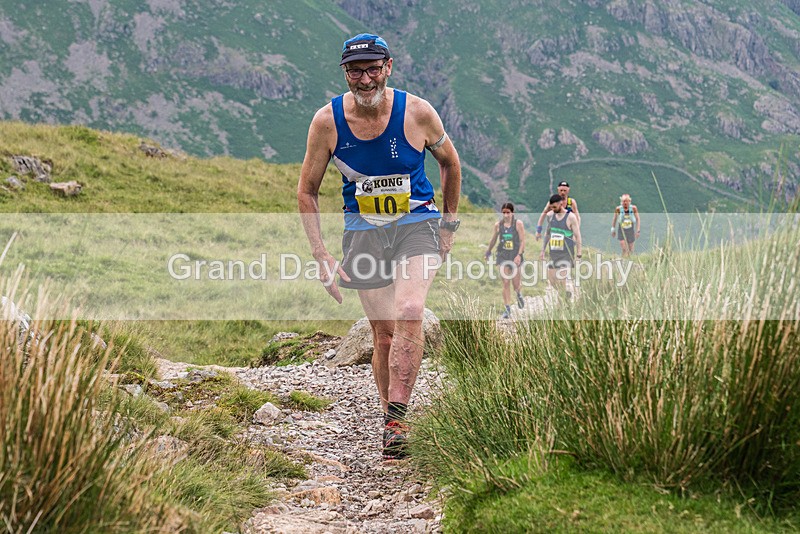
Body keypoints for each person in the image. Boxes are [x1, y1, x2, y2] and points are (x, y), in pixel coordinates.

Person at [297, 33, 461, 460]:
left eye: (373, 69)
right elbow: (307, 191)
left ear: (388, 67)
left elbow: (450, 163)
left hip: (417, 225)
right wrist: (322, 255)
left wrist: (448, 225)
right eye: (355, 70)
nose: (365, 79)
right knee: (383, 334)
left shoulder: (418, 113)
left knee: (409, 311)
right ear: (345, 73)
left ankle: (397, 421)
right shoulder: (326, 122)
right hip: (364, 232)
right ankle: (392, 416)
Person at [484, 202, 525, 319]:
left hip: (515, 255)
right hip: (503, 255)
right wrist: (488, 251)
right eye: (504, 213)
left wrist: (519, 255)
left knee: (516, 284)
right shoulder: (498, 225)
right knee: (506, 282)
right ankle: (507, 308)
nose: (506, 215)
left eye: (508, 212)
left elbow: (522, 241)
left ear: (512, 213)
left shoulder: (518, 224)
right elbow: (493, 239)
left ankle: (518, 294)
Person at [540, 194, 582, 301]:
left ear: (561, 204)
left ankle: (562, 304)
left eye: (554, 207)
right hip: (553, 252)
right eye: (551, 207)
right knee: (552, 280)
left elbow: (577, 235)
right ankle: (564, 294)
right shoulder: (550, 216)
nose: (553, 209)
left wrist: (579, 254)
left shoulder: (571, 217)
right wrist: (543, 250)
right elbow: (547, 234)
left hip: (566, 252)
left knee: (561, 278)